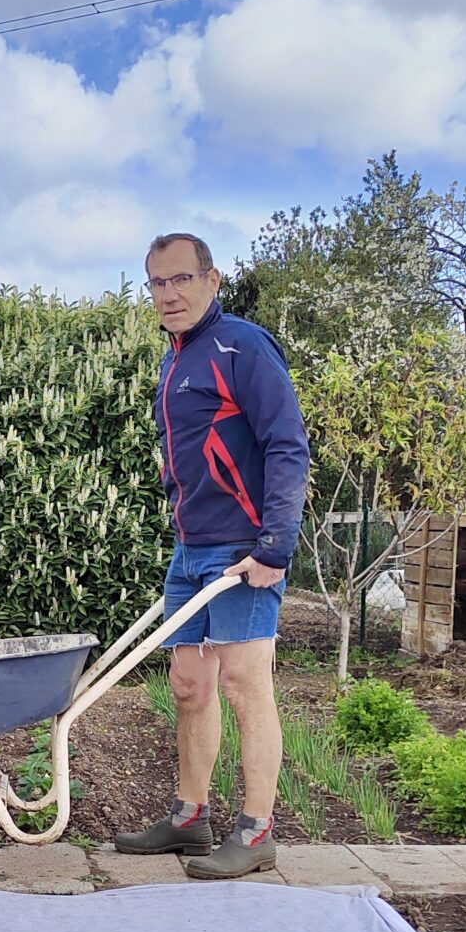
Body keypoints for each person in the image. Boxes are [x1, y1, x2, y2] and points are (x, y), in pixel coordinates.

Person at [112, 232, 310, 878]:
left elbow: (286, 444)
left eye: (180, 280)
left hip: (244, 549)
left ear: (211, 280)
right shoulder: (175, 360)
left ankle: (256, 832)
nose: (168, 294)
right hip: (191, 550)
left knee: (246, 686)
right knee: (189, 686)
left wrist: (275, 546)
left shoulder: (241, 347)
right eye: (156, 284)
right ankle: (189, 818)